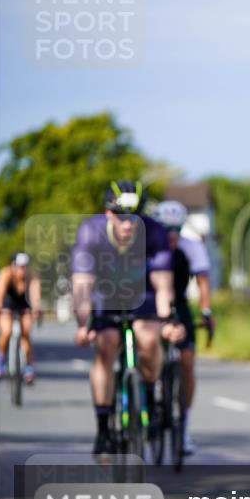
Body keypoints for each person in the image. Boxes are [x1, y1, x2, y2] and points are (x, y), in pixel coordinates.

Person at [71, 181, 185, 458]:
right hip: (106, 296)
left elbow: (163, 286)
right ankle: (103, 429)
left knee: (148, 339)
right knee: (106, 345)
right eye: (122, 217)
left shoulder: (154, 232)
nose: (128, 224)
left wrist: (168, 318)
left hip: (142, 294)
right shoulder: (91, 232)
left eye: (135, 217)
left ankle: (149, 393)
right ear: (109, 214)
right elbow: (83, 286)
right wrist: (84, 325)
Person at [153, 200, 215, 455]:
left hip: (179, 305)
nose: (172, 235)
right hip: (151, 305)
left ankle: (184, 426)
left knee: (187, 362)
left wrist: (206, 311)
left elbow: (203, 282)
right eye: (167, 229)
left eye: (177, 230)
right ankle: (148, 402)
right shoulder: (148, 248)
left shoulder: (192, 248)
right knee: (150, 355)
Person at [0, 252, 42, 382]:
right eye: (19, 266)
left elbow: (35, 295)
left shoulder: (32, 276)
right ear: (13, 265)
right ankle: (1, 361)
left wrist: (36, 309)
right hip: (7, 303)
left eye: (25, 266)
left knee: (26, 332)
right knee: (7, 331)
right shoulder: (6, 274)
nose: (22, 269)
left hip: (23, 304)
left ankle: (28, 367)